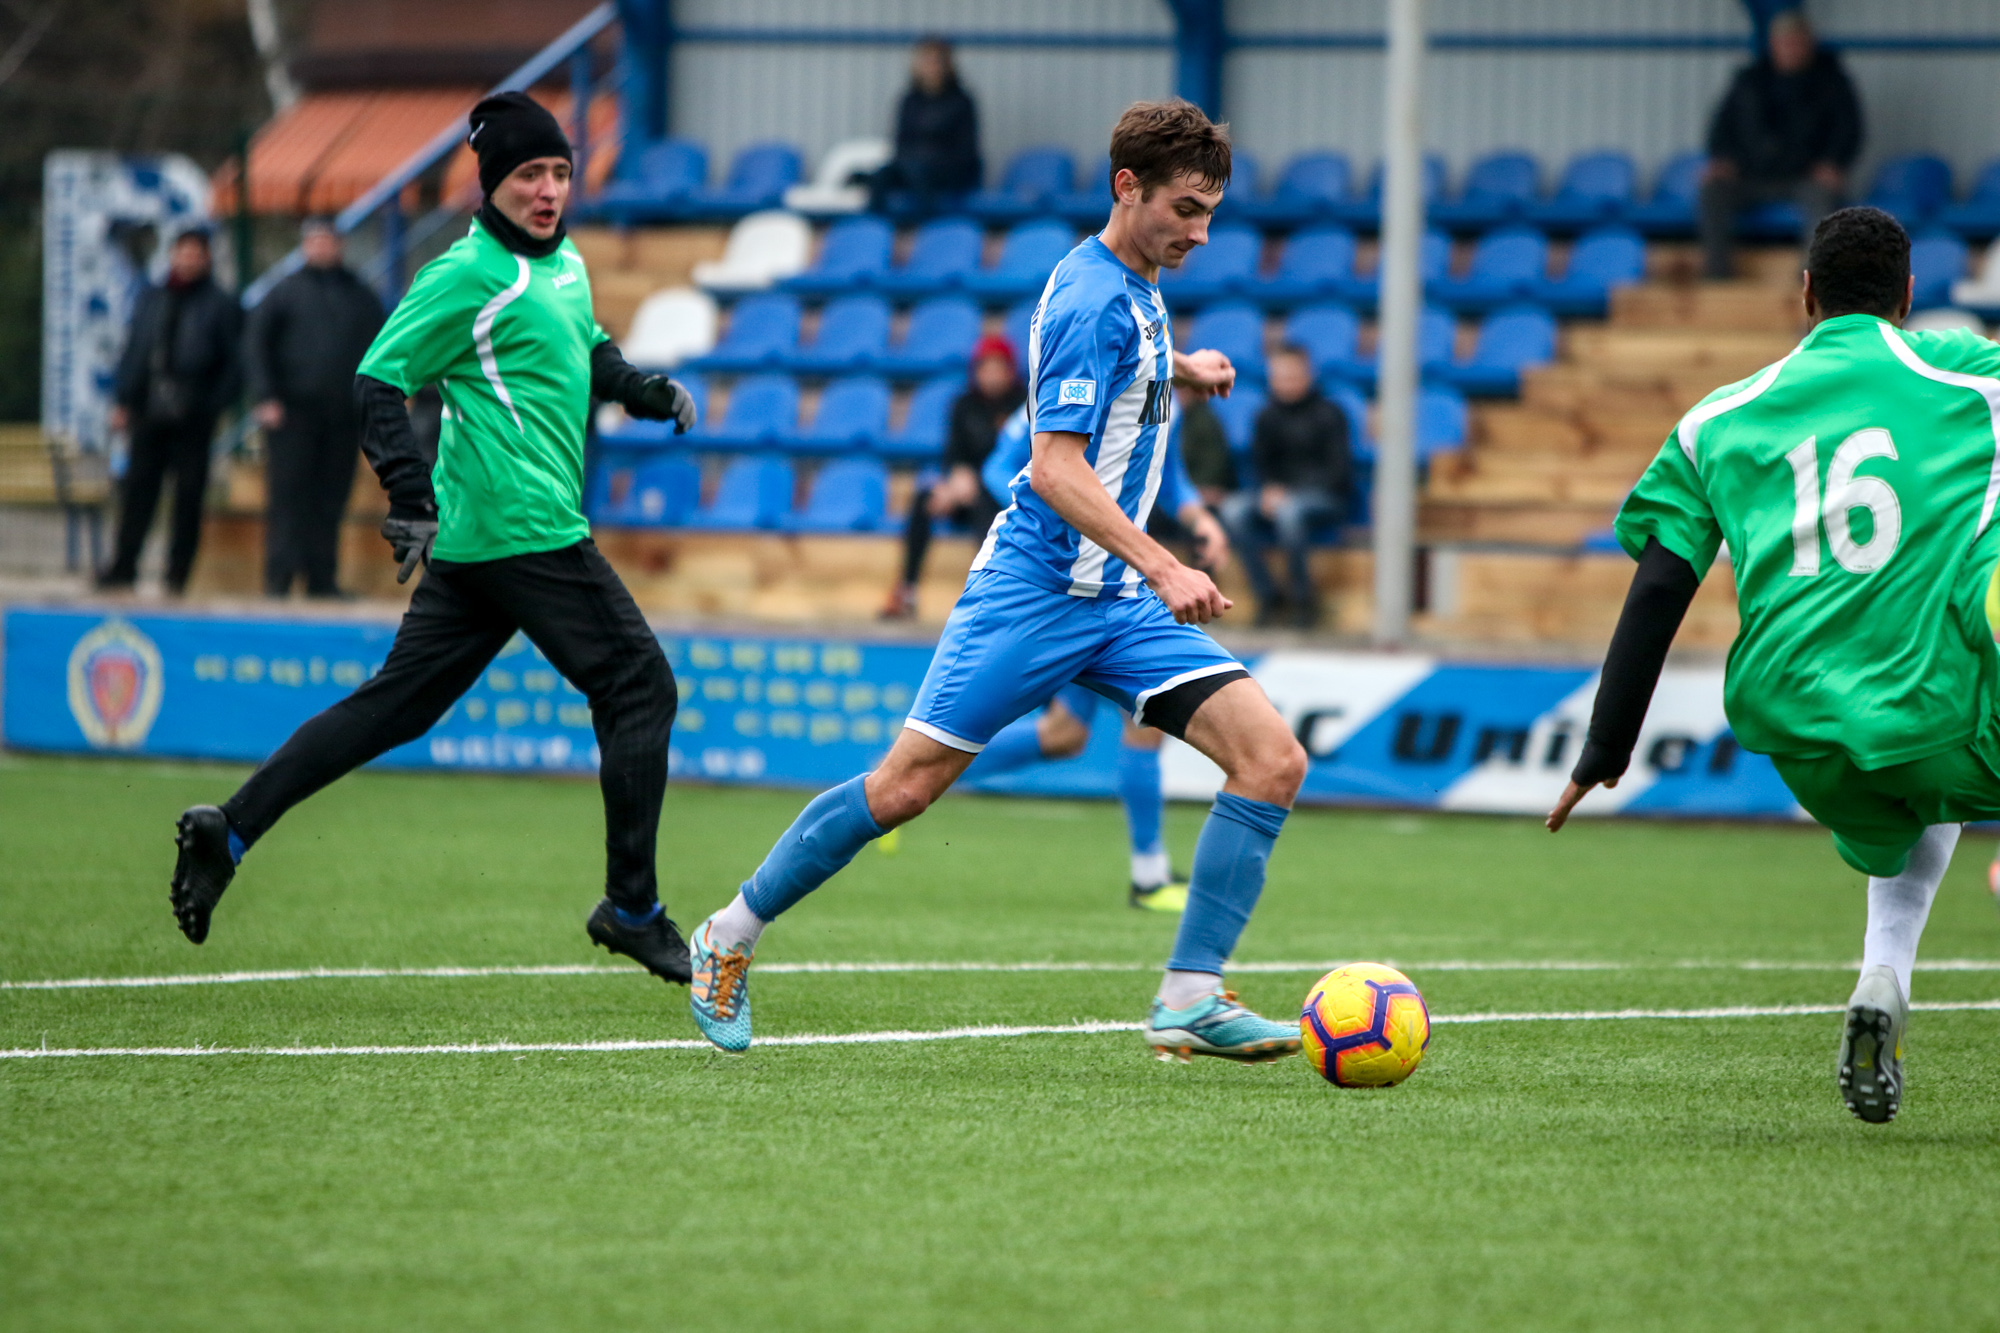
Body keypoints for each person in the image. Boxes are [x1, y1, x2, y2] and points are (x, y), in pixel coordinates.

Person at [683, 99, 1310, 1062]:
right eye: (1186, 210)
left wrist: (1183, 369)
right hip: (1034, 592)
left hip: (1115, 605)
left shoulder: (1137, 284)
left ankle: (1189, 995)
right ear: (1127, 187)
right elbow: (1054, 468)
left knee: (1272, 759)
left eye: (1210, 213)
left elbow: (1123, 362)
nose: (1201, 233)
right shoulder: (1091, 296)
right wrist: (1164, 561)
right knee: (903, 788)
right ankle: (728, 934)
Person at [166, 91, 701, 996]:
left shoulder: (562, 258)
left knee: (394, 709)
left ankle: (233, 826)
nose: (548, 189)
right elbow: (378, 380)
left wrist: (639, 390)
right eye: (529, 174)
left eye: (560, 172)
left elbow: (586, 347)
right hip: (523, 528)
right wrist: (409, 495)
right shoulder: (464, 273)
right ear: (492, 184)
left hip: (484, 545)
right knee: (640, 685)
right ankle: (632, 909)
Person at [1547, 206, 2000, 1125]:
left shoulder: (1715, 419)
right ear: (1909, 296)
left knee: (1914, 791)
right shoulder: (1970, 375)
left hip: (1797, 732)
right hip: (1935, 704)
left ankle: (1884, 973)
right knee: (1949, 669)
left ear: (1805, 295)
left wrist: (1605, 746)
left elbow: (1659, 586)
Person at [964, 403, 1233, 912]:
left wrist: (1202, 521)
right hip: (1059, 580)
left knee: (1066, 735)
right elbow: (999, 468)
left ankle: (912, 775)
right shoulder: (1073, 387)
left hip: (1114, 576)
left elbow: (1169, 478)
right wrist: (1057, 515)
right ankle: (1150, 877)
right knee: (1139, 723)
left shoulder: (1158, 399)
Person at [245, 218, 386, 598]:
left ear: (340, 245)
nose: (322, 247)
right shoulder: (284, 293)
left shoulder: (360, 295)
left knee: (331, 499)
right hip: (292, 414)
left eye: (329, 240)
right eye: (315, 241)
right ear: (305, 246)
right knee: (288, 498)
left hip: (343, 416)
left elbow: (382, 349)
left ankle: (321, 580)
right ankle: (279, 580)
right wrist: (265, 396)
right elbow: (256, 345)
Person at [98, 228, 242, 595]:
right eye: (183, 253)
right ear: (173, 255)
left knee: (188, 498)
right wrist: (124, 400)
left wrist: (212, 405)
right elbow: (135, 350)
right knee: (137, 492)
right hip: (149, 412)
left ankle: (176, 575)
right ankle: (123, 566)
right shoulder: (153, 297)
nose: (188, 260)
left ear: (206, 259)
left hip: (194, 415)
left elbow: (234, 364)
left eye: (196, 254)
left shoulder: (221, 304)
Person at [1699, 10, 1862, 281]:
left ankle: (1811, 280)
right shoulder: (1749, 81)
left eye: (1797, 42)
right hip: (1751, 176)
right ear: (1773, 45)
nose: (1791, 49)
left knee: (1823, 198)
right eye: (1785, 42)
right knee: (1712, 190)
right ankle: (1717, 277)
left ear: (1809, 44)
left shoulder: (1832, 83)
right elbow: (1721, 127)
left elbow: (1849, 129)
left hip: (1805, 177)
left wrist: (1833, 163)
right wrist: (1723, 159)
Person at [881, 334, 1024, 619]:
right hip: (965, 493)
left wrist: (977, 481)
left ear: (1009, 370)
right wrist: (955, 481)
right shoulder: (964, 404)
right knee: (925, 498)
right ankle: (907, 589)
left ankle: (989, 595)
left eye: (997, 368)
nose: (991, 376)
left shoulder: (1025, 404)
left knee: (985, 500)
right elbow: (954, 456)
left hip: (1009, 496)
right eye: (985, 368)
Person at [1221, 343, 1351, 628]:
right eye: (1279, 377)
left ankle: (1303, 601)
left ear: (1308, 375)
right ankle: (1267, 596)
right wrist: (1268, 489)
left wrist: (1288, 493)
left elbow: (1338, 471)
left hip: (1326, 496)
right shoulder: (1266, 415)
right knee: (1233, 510)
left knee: (1289, 512)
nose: (1286, 383)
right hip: (1279, 495)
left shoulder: (1331, 414)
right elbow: (1262, 464)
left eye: (1292, 376)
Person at [865, 37, 981, 216]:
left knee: (917, 173)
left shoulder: (961, 102)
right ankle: (875, 225)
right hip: (910, 167)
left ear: (947, 65)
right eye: (926, 61)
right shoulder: (909, 101)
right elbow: (900, 143)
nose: (931, 68)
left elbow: (966, 151)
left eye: (936, 62)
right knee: (882, 175)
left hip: (948, 171)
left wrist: (929, 159)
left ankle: (929, 225)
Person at [1174, 383, 1236, 510]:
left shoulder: (1205, 421)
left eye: (1184, 392)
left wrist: (1196, 489)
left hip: (1210, 489)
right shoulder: (1178, 420)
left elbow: (1215, 463)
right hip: (1184, 489)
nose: (1179, 396)